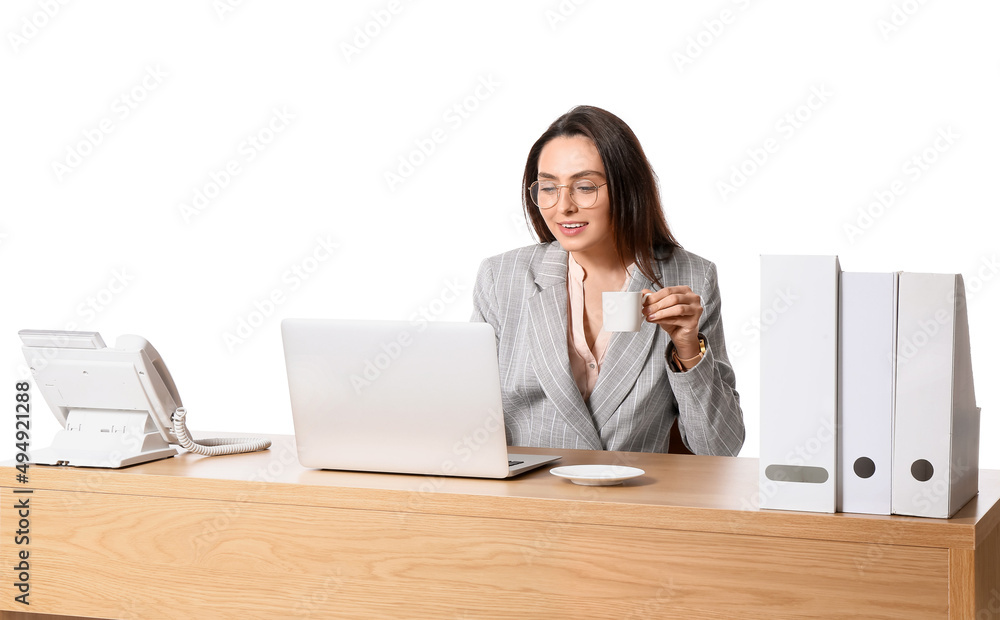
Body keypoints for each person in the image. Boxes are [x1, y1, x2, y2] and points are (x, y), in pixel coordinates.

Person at [470, 105, 744, 456]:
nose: (563, 206)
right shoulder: (502, 278)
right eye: (548, 187)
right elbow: (467, 416)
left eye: (584, 187)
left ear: (626, 188)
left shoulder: (690, 278)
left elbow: (720, 449)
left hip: (631, 500)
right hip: (528, 499)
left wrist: (688, 347)